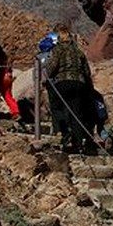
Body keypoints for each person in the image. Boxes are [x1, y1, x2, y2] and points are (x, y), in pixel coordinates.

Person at [43, 24, 96, 154]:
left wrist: (46, 78)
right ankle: (78, 145)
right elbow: (86, 72)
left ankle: (63, 130)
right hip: (79, 84)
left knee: (56, 107)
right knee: (76, 114)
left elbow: (53, 67)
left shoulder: (58, 50)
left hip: (63, 82)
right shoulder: (79, 52)